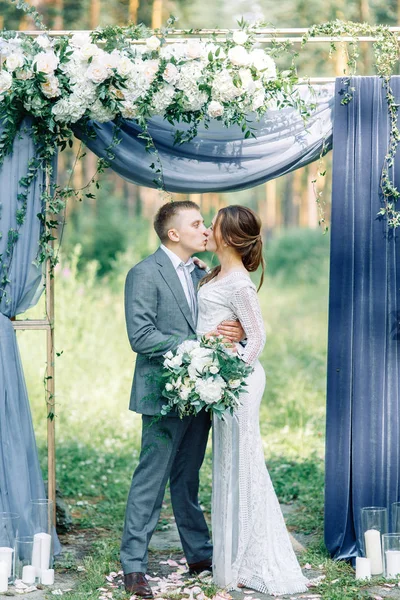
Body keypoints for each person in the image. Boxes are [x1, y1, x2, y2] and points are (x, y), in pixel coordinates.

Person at [121, 200, 244, 597]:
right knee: (151, 479)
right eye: (197, 223)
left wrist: (235, 331)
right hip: (161, 393)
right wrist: (196, 343)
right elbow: (140, 337)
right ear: (174, 233)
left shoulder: (204, 274)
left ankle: (199, 555)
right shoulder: (144, 273)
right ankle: (134, 565)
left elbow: (215, 320)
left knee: (187, 479)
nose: (206, 228)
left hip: (201, 393)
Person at [197, 205, 309, 596]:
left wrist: (230, 374)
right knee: (228, 465)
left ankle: (251, 557)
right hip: (222, 380)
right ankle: (232, 558)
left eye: (212, 225)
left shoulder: (240, 283)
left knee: (244, 463)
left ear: (227, 237)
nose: (207, 229)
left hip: (238, 383)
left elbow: (257, 338)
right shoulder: (216, 272)